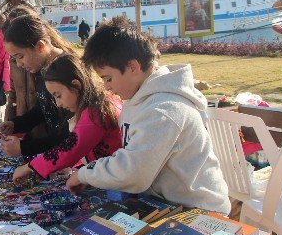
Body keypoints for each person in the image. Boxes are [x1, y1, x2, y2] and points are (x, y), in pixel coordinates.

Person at [66, 17, 231, 214]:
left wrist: (84, 174)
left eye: (108, 78)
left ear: (133, 67)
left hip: (199, 211)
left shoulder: (163, 110)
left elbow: (134, 173)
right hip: (165, 204)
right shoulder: (137, 99)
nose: (107, 86)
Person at [12, 53, 122, 182]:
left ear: (76, 85)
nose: (58, 104)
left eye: (58, 95)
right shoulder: (98, 105)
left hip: (117, 183)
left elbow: (72, 148)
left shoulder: (97, 112)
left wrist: (30, 167)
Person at [0, 15, 77, 158]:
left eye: (20, 56)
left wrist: (24, 148)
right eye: (15, 59)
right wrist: (16, 124)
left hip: (71, 159)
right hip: (56, 155)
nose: (19, 64)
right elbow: (43, 108)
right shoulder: (44, 69)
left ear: (40, 46)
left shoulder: (67, 71)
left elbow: (69, 134)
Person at [3, 7, 39, 126]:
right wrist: (10, 120)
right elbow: (13, 92)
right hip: (23, 120)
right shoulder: (14, 60)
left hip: (41, 126)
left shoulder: (41, 60)